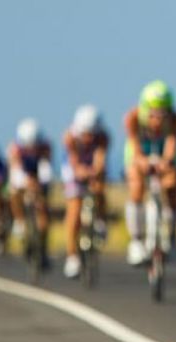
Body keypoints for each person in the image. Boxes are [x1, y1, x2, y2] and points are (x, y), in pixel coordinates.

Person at [123, 80, 176, 265]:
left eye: (163, 114)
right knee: (136, 186)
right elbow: (135, 147)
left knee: (172, 186)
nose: (158, 119)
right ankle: (136, 240)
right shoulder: (132, 118)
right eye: (154, 114)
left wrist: (167, 162)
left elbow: (172, 145)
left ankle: (172, 238)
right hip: (138, 154)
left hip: (163, 155)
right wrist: (141, 161)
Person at [61, 105, 110, 278]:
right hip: (73, 168)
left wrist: (95, 171)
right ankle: (72, 256)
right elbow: (73, 162)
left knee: (99, 189)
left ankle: (101, 221)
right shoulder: (69, 137)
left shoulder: (103, 136)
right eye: (85, 135)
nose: (88, 138)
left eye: (91, 135)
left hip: (92, 165)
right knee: (74, 210)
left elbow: (100, 158)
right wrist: (80, 171)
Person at [8, 118, 53, 269]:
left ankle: (43, 248)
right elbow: (16, 171)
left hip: (38, 175)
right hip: (23, 175)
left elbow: (46, 170)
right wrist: (26, 183)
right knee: (14, 192)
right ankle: (19, 220)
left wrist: (39, 185)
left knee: (43, 212)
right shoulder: (15, 148)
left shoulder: (45, 147)